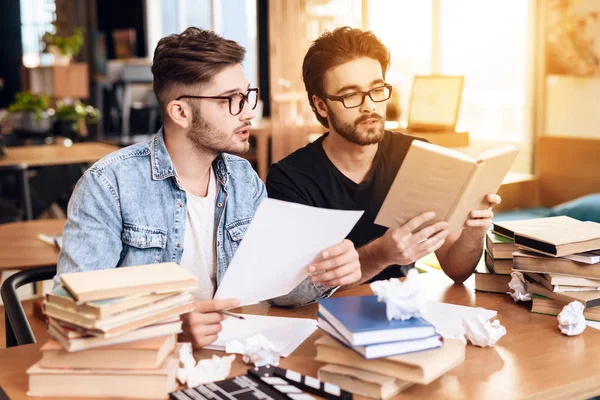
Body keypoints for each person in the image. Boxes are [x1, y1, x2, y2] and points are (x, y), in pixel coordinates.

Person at [55, 27, 359, 348]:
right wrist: (168, 326)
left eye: (246, 96)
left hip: (230, 354)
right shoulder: (109, 184)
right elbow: (70, 309)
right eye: (231, 100)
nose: (248, 112)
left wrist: (324, 273)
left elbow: (278, 290)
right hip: (148, 367)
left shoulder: (243, 179)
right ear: (181, 112)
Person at [266, 27, 501, 286]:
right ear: (322, 105)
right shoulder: (290, 178)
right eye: (351, 95)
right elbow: (299, 289)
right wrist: (381, 254)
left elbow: (456, 270)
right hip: (324, 320)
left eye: (377, 90)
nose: (369, 106)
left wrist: (474, 232)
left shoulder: (418, 156)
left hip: (403, 310)